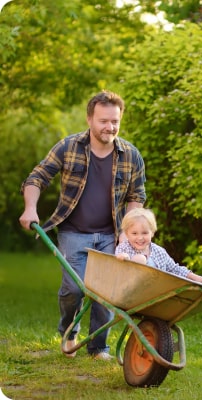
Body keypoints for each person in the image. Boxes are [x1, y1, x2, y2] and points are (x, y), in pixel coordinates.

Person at [19, 90, 146, 361]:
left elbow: (137, 197)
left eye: (115, 121)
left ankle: (98, 347)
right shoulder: (68, 147)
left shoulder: (131, 155)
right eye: (103, 121)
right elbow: (37, 177)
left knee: (106, 294)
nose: (109, 127)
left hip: (112, 234)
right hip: (73, 231)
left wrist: (127, 232)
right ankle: (69, 331)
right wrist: (31, 208)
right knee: (73, 289)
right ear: (89, 118)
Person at [115, 208, 202, 283]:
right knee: (140, 259)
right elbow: (116, 262)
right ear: (127, 234)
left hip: (155, 292)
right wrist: (124, 258)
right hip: (130, 290)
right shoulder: (124, 247)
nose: (140, 238)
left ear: (152, 232)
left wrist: (194, 277)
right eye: (134, 233)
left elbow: (174, 269)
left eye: (144, 233)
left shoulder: (159, 252)